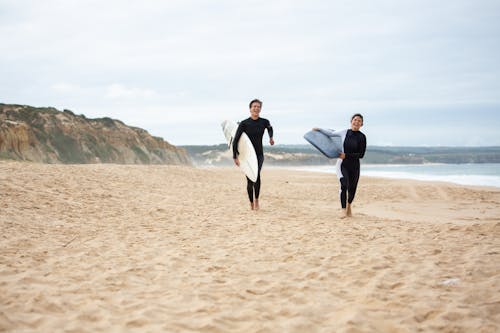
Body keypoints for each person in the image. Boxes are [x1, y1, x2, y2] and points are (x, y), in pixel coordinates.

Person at [313, 114, 366, 218]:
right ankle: (343, 209)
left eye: (359, 121)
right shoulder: (344, 132)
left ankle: (349, 205)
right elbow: (331, 133)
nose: (356, 122)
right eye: (355, 120)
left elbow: (361, 154)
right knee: (344, 184)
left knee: (352, 189)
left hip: (354, 166)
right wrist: (319, 129)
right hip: (342, 164)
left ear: (362, 124)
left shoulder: (362, 137)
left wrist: (347, 155)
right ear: (351, 121)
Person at [233, 99, 274, 210]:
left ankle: (256, 200)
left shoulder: (264, 121)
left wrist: (271, 137)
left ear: (260, 108)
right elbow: (236, 140)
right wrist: (234, 156)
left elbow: (270, 128)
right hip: (247, 156)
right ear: (250, 108)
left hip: (259, 154)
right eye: (254, 106)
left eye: (258, 106)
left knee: (256, 176)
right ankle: (251, 202)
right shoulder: (244, 123)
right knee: (250, 179)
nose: (256, 108)